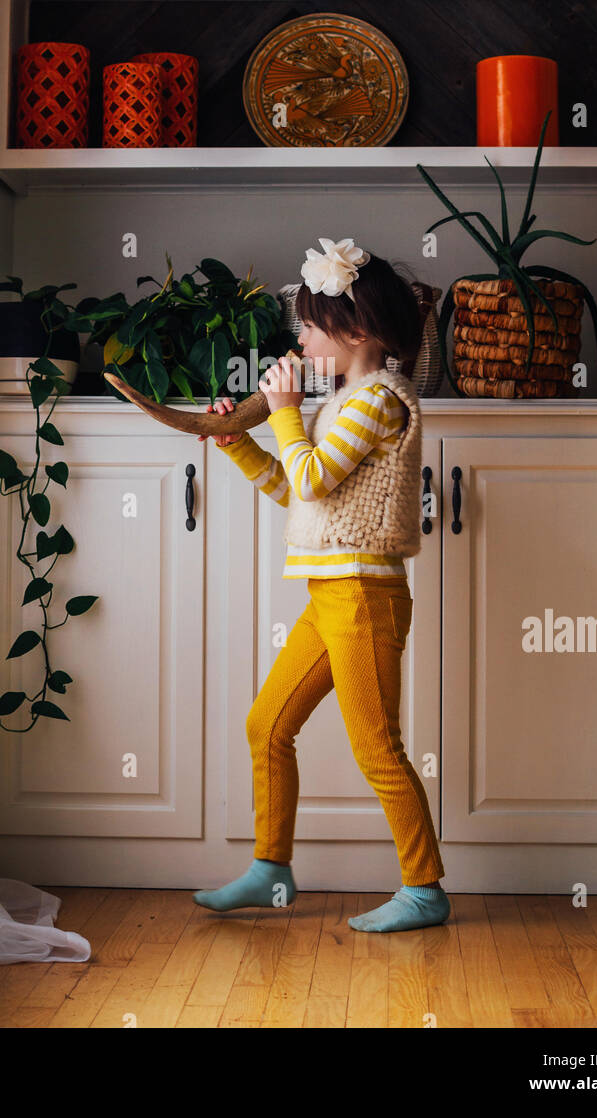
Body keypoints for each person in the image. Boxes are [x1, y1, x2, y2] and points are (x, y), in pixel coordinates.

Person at [192, 238, 449, 933]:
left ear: (357, 330)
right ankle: (270, 869)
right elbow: (295, 491)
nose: (299, 339)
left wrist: (281, 412)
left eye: (308, 326)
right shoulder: (341, 403)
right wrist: (238, 442)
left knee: (377, 747)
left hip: (365, 597)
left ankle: (423, 889)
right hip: (330, 596)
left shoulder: (382, 400)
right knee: (266, 725)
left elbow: (309, 475)